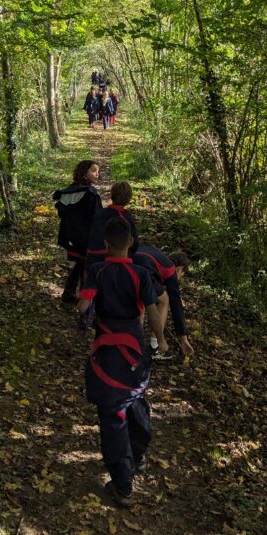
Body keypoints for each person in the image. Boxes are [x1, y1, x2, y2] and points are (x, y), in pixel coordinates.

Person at [77, 218, 167, 507]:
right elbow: (153, 311)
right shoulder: (141, 273)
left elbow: (83, 305)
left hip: (107, 352)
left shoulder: (96, 270)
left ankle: (123, 484)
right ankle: (137, 457)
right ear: (130, 243)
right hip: (135, 351)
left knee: (113, 414)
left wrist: (84, 312)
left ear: (105, 245)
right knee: (137, 400)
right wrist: (161, 339)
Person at [133, 246, 193, 359]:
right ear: (179, 269)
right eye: (181, 275)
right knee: (165, 299)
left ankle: (134, 344)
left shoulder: (158, 255)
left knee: (140, 301)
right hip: (141, 272)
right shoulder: (170, 270)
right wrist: (183, 337)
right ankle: (154, 346)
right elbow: (176, 304)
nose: (178, 279)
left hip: (126, 263)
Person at [54, 160, 101, 302]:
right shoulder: (90, 193)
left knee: (80, 263)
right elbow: (97, 217)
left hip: (71, 236)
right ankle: (83, 298)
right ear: (84, 172)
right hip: (86, 237)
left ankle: (69, 293)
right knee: (86, 264)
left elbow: (62, 214)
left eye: (98, 171)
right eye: (93, 170)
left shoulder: (69, 191)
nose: (97, 174)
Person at [85, 181, 140, 271]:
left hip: (92, 257)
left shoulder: (99, 213)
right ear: (129, 198)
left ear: (112, 195)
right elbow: (135, 245)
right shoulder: (126, 217)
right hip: (112, 259)